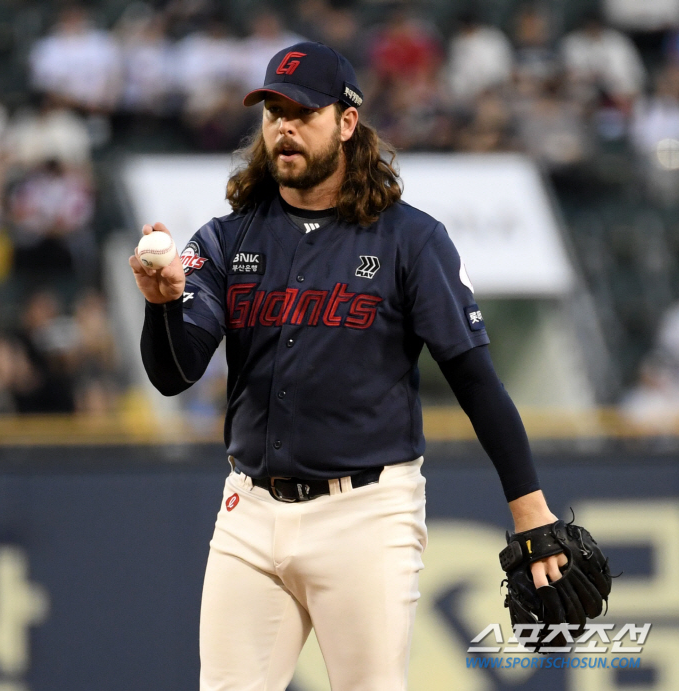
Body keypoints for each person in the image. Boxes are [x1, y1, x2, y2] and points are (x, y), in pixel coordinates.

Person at [129, 41, 566, 691]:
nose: (284, 127)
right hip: (248, 512)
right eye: (274, 111)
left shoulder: (410, 240)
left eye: (302, 111)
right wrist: (162, 307)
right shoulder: (227, 239)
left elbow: (475, 379)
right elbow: (175, 372)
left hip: (366, 515)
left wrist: (531, 509)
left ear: (346, 122)